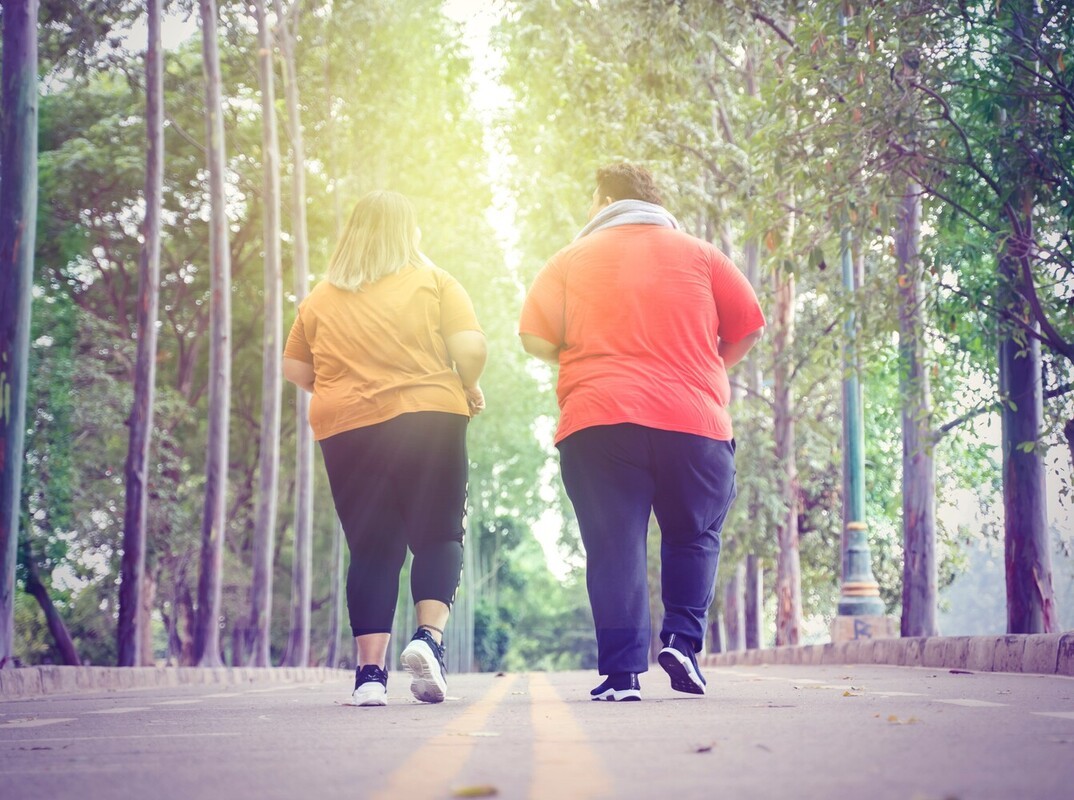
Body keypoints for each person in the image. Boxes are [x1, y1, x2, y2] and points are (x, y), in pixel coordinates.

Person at [519, 163, 764, 701]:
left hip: (599, 420)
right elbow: (748, 324)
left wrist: (578, 349)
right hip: (694, 420)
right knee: (694, 532)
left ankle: (622, 674)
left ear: (602, 199)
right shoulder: (701, 255)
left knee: (614, 546)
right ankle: (681, 640)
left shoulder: (568, 260)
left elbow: (533, 337)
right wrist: (709, 367)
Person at [283, 190, 487, 707]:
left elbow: (297, 370)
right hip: (429, 415)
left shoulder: (319, 299)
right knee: (438, 534)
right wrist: (470, 382)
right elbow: (470, 346)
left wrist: (347, 388)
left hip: (347, 428)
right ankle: (428, 640)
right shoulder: (435, 282)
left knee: (372, 548)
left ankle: (369, 676)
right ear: (408, 232)